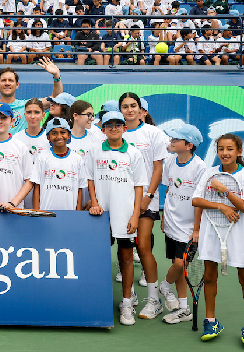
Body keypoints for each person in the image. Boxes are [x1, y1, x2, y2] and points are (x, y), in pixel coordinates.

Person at [191, 134, 244, 348]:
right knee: (210, 276)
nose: (225, 153)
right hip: (212, 232)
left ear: (239, 152)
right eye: (221, 149)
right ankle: (211, 321)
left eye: (229, 149)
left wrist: (224, 191)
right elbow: (196, 200)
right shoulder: (209, 173)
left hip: (238, 234)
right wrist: (220, 205)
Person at [86, 110, 148, 326]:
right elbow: (90, 180)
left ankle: (126, 302)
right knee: (98, 258)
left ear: (125, 128)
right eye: (109, 125)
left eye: (118, 124)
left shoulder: (134, 154)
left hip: (125, 216)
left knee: (126, 258)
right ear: (102, 129)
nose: (113, 128)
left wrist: (135, 215)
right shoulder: (94, 150)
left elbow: (139, 186)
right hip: (100, 215)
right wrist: (94, 202)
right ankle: (96, 300)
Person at [120, 92, 169, 319]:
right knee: (124, 249)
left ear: (140, 109)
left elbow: (158, 168)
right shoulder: (115, 132)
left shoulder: (154, 133)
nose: (129, 110)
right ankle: (129, 295)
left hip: (147, 199)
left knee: (143, 247)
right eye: (125, 106)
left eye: (133, 106)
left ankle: (153, 300)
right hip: (121, 200)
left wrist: (148, 195)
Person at [158, 124, 207, 324]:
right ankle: (184, 308)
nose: (171, 142)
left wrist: (196, 229)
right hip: (171, 221)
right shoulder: (169, 161)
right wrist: (163, 217)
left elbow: (200, 201)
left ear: (189, 145)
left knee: (180, 264)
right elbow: (169, 189)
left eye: (176, 140)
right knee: (178, 266)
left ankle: (164, 286)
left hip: (188, 228)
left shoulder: (200, 167)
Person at [0, 59, 63, 135]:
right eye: (3, 80)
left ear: (17, 85)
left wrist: (56, 76)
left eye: (11, 80)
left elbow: (56, 98)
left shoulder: (28, 106)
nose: (7, 83)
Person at [31, 117, 86, 211]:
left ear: (69, 135)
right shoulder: (42, 157)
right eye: (54, 133)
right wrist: (37, 213)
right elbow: (37, 188)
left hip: (70, 214)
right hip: (46, 213)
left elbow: (79, 190)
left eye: (63, 132)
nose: (59, 136)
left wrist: (77, 215)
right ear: (48, 137)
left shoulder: (77, 159)